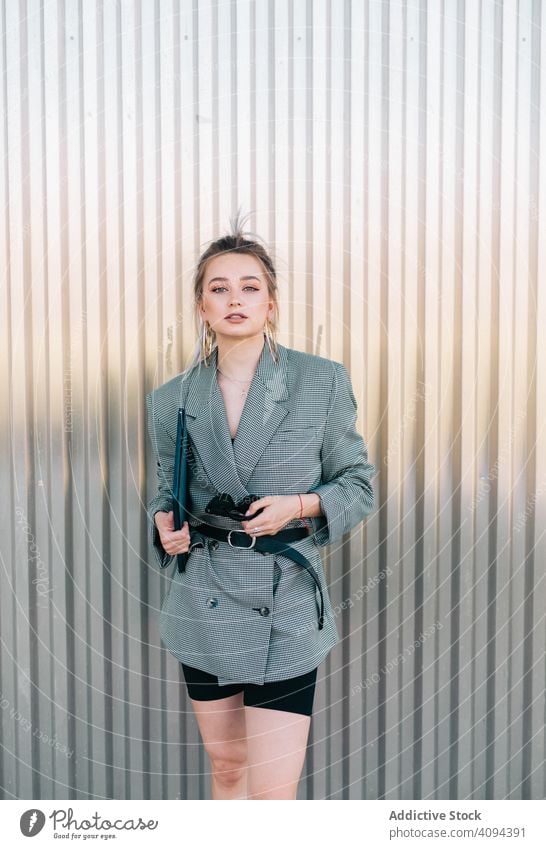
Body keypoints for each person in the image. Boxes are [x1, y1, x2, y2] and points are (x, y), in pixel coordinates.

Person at [145, 213, 376, 800]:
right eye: (218, 288)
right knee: (226, 769)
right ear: (201, 306)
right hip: (205, 595)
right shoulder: (172, 398)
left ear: (271, 303)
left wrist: (299, 504)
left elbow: (358, 483)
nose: (235, 299)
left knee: (273, 790)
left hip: (287, 600)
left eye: (250, 287)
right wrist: (163, 524)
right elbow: (165, 490)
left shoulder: (319, 380)